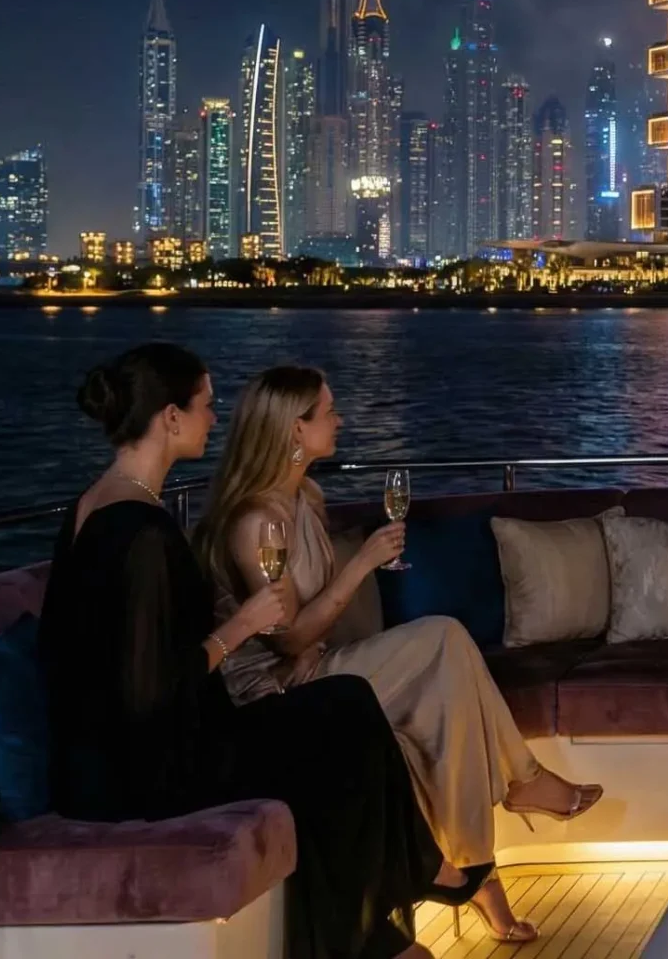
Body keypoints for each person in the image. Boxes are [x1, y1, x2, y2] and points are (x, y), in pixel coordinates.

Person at [39, 344, 458, 959]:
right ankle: (391, 912)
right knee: (339, 730)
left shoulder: (92, 506)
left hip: (106, 759)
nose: (216, 419)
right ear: (171, 417)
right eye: (206, 405)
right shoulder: (142, 530)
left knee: (344, 704)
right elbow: (150, 693)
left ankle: (388, 918)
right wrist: (240, 627)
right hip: (145, 772)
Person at [195, 365, 604, 945]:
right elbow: (285, 639)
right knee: (444, 641)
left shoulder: (304, 497)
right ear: (294, 429)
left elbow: (304, 630)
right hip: (280, 691)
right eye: (328, 411)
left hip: (317, 665)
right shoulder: (258, 521)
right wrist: (363, 562)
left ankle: (478, 863)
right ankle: (513, 797)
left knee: (447, 693)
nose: (340, 420)